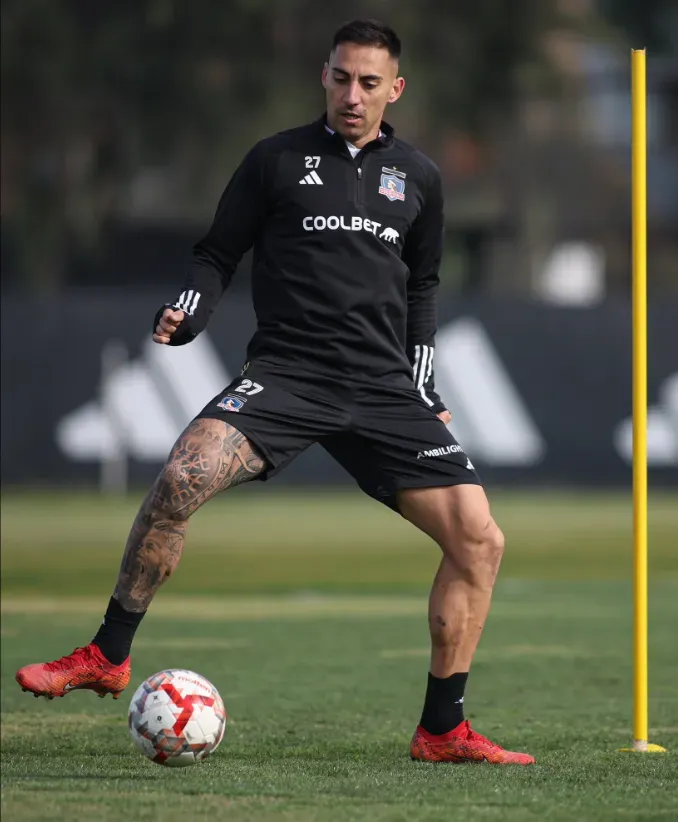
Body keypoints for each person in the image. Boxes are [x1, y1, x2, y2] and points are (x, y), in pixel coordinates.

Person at [16, 18, 534, 766]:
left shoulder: (418, 176)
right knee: (181, 476)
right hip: (289, 374)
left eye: (368, 82)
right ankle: (106, 654)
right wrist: (190, 312)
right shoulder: (275, 159)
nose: (351, 95)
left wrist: (423, 380)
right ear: (323, 76)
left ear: (395, 88)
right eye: (340, 77)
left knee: (480, 542)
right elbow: (216, 255)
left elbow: (422, 287)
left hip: (382, 384)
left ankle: (442, 730)